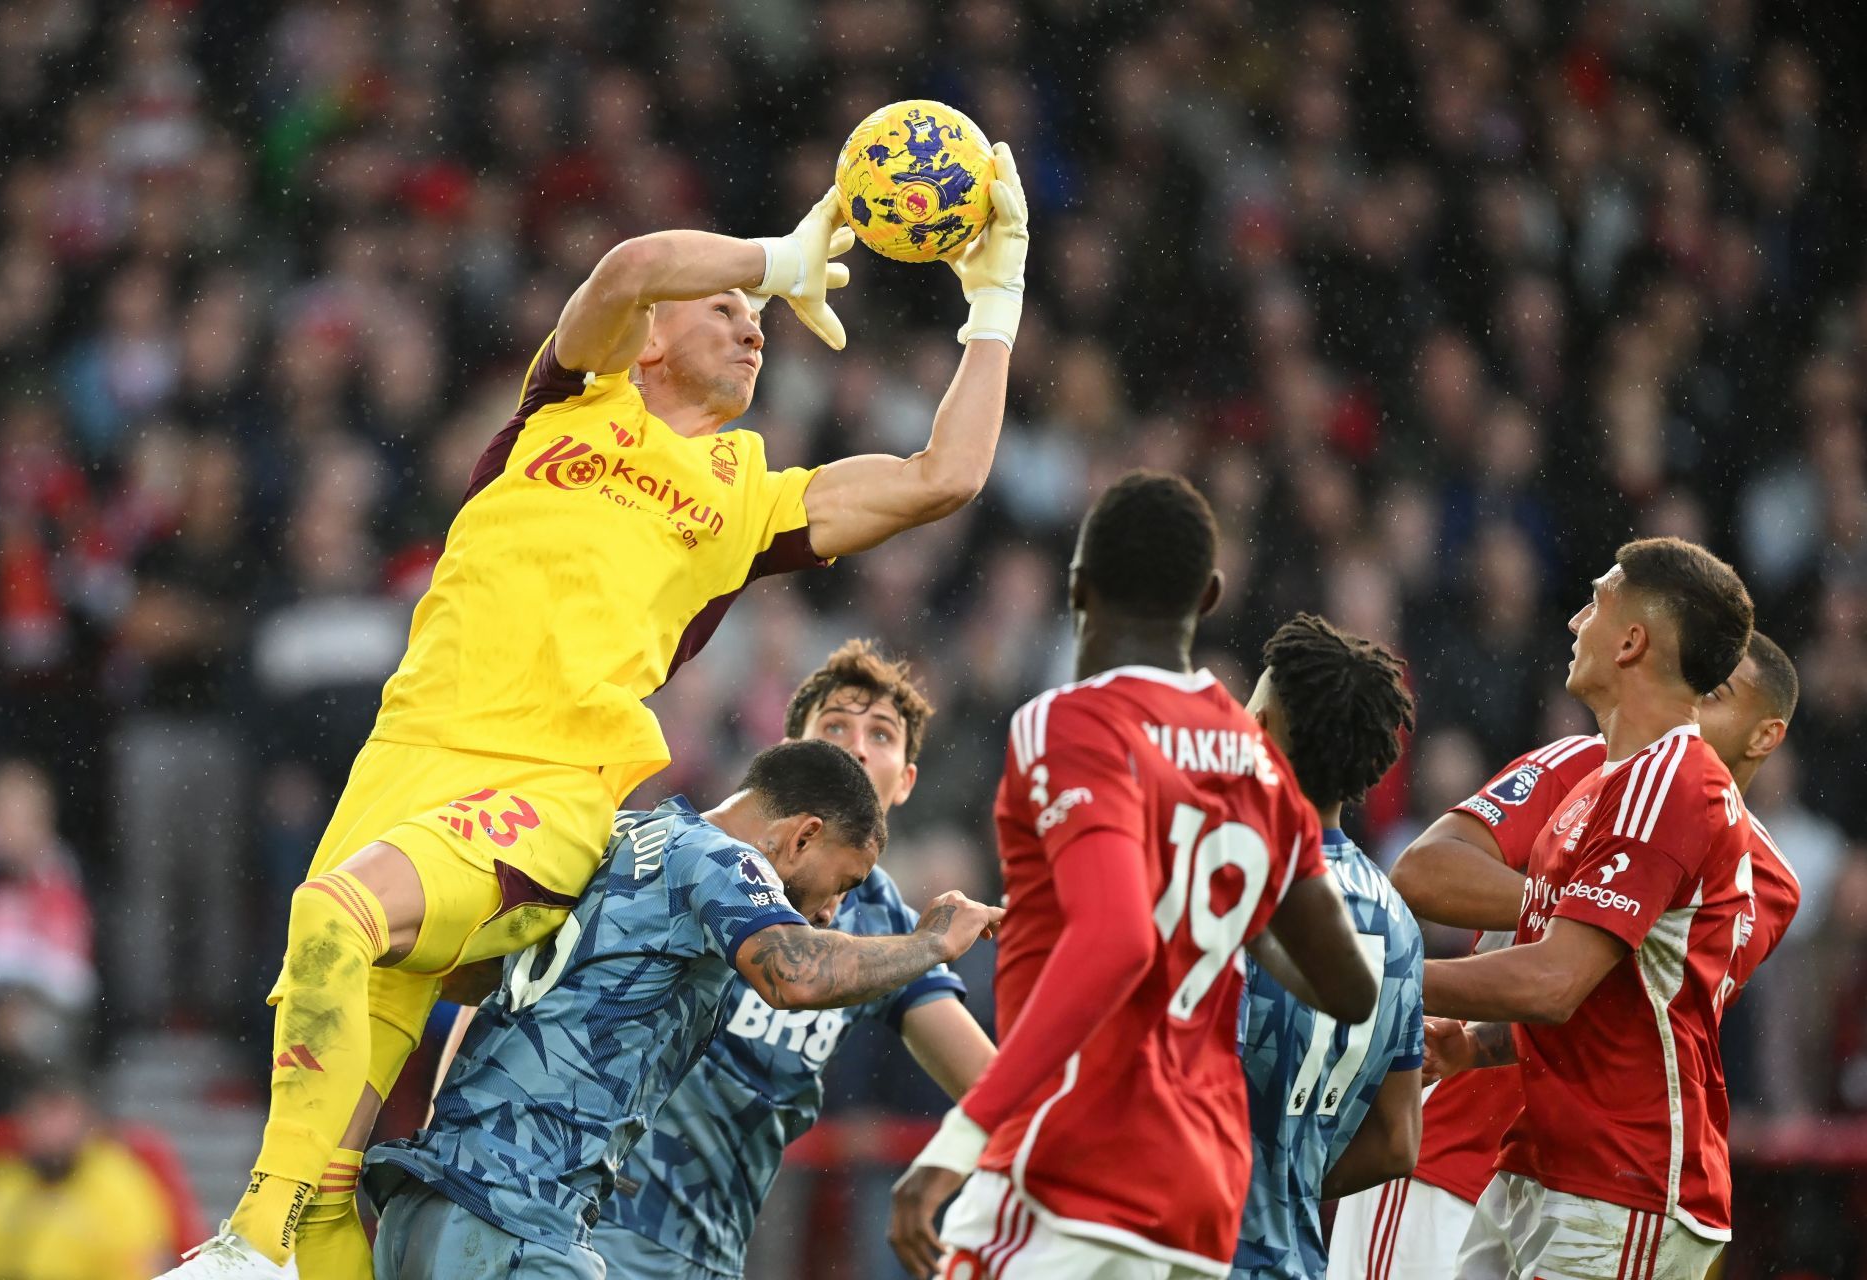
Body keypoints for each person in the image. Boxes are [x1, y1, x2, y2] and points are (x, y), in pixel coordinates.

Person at [164, 145, 1031, 1280]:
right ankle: (283, 1237)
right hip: (408, 762)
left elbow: (941, 476)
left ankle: (245, 1246)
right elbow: (630, 266)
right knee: (332, 1164)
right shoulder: (567, 402)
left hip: (546, 793)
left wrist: (997, 291)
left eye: (758, 309)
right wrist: (777, 256)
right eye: (726, 307)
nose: (756, 320)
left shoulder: (747, 499)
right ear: (654, 337)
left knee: (333, 915)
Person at [890, 471, 1380, 1280]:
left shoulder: (1068, 721)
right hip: (1198, 1197)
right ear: (1212, 594)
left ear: (1077, 586)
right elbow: (1351, 987)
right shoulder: (1258, 765)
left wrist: (964, 1133)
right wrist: (1218, 913)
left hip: (1071, 1168)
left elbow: (1115, 938)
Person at [360, 738, 1001, 1278]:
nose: (833, 909)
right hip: (515, 1221)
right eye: (844, 883)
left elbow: (468, 975)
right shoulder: (720, 859)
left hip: (436, 1197)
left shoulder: (622, 832)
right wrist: (931, 942)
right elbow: (794, 974)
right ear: (804, 836)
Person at [1328, 632, 1801, 1280]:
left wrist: (1604, 919)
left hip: (1591, 1182)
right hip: (1442, 1155)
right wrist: (1590, 907)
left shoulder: (1768, 879)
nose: (1690, 704)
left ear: (1764, 736)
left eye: (1715, 695)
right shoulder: (1585, 766)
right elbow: (1423, 872)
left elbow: (1625, 1007)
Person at [581, 639, 997, 1279]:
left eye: (881, 734)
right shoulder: (704, 854)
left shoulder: (885, 924)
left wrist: (939, 1170)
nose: (856, 746)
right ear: (791, 754)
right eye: (834, 726)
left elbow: (994, 1090)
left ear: (908, 779)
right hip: (592, 1222)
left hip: (715, 1249)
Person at [1420, 538, 1759, 1280]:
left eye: (1596, 602)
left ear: (1633, 641)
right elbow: (1607, 999)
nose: (1575, 622)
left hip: (1623, 1184)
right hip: (1540, 1168)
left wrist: (1387, 974)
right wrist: (1476, 1047)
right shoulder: (1596, 789)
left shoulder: (1672, 787)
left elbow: (1552, 983)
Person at [1231, 615, 1425, 1280]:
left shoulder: (1228, 889)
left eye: (1252, 713)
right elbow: (1399, 1142)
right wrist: (1284, 1189)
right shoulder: (1397, 925)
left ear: (1265, 736)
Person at [0, 1071, 175, 1280]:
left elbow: (137, 1267)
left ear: (87, 1122)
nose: (50, 1130)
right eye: (40, 1116)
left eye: (60, 1117)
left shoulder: (120, 1187)